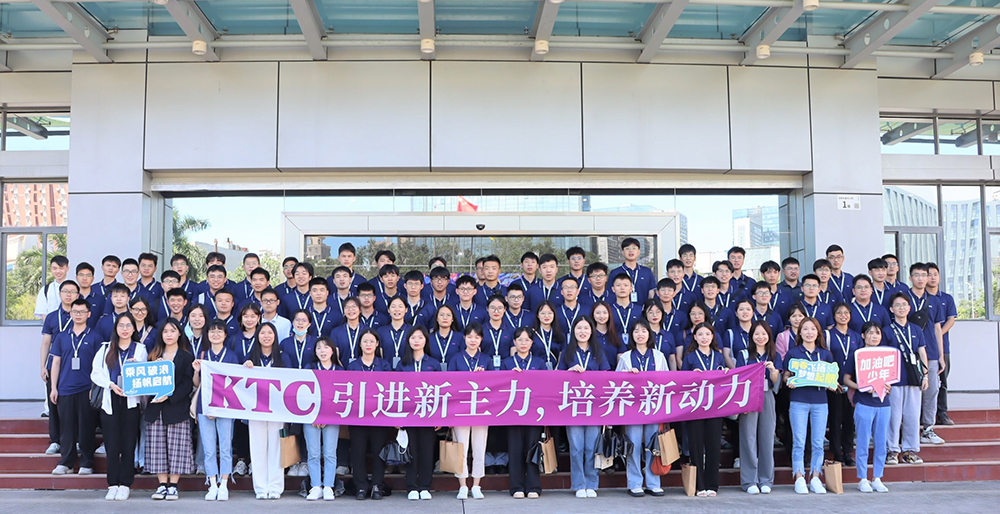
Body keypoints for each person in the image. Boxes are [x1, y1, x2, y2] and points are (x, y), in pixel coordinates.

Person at [91, 311, 146, 500]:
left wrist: (138, 365)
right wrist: (110, 385)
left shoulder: (140, 349)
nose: (125, 329)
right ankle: (113, 484)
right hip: (111, 400)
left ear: (134, 328)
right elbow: (95, 373)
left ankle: (126, 484)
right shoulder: (106, 348)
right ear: (116, 328)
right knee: (112, 444)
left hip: (131, 401)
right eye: (121, 325)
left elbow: (146, 374)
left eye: (128, 325)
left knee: (129, 444)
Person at [783, 316, 835, 495]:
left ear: (818, 332)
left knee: (818, 442)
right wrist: (789, 380)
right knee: (799, 442)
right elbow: (786, 375)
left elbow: (831, 376)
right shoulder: (793, 353)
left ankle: (815, 477)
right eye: (805, 329)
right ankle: (799, 476)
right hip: (798, 400)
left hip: (820, 402)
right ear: (800, 332)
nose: (809, 332)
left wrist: (832, 384)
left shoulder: (825, 354)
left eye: (813, 329)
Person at [558, 316, 609, 498]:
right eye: (579, 328)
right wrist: (568, 372)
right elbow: (557, 378)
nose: (582, 332)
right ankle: (579, 484)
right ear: (573, 331)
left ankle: (591, 483)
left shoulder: (598, 352)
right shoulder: (567, 352)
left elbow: (607, 376)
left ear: (591, 331)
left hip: (593, 406)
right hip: (573, 407)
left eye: (586, 328)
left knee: (591, 447)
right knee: (577, 448)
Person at [145, 319, 195, 501]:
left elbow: (187, 384)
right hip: (155, 408)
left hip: (176, 407)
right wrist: (153, 368)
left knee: (177, 447)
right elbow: (145, 381)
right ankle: (161, 485)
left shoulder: (186, 356)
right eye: (165, 331)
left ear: (179, 333)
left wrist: (169, 395)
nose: (168, 335)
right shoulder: (153, 355)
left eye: (172, 331)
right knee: (157, 446)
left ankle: (173, 485)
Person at [617, 319, 667, 497]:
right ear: (631, 335)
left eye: (644, 331)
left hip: (653, 406)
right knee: (634, 445)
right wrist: (627, 375)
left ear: (649, 334)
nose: (640, 334)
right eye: (636, 331)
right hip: (633, 407)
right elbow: (616, 382)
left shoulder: (659, 356)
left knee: (654, 445)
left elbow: (667, 381)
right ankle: (635, 483)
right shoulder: (625, 357)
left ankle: (653, 483)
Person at [49, 298, 98, 476]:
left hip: (86, 389)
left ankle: (86, 462)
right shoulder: (61, 336)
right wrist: (54, 388)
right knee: (66, 428)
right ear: (70, 314)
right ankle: (66, 462)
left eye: (82, 312)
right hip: (65, 388)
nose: (78, 315)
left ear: (88, 314)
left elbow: (99, 365)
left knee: (86, 427)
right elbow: (55, 363)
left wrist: (95, 388)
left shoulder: (95, 336)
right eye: (75, 312)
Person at [843, 322, 893, 493]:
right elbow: (846, 379)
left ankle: (878, 477)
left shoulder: (887, 355)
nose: (874, 336)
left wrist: (889, 386)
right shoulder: (856, 355)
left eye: (877, 333)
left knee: (881, 442)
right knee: (863, 441)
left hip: (883, 404)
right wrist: (861, 387)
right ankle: (862, 478)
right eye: (870, 333)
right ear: (863, 336)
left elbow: (892, 378)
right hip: (864, 403)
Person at [244, 323, 291, 499]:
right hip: (255, 409)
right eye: (262, 333)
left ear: (275, 336)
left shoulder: (283, 357)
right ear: (257, 336)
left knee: (276, 447)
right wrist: (245, 367)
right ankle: (261, 488)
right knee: (257, 448)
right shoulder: (251, 357)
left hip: (277, 409)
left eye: (270, 333)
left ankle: (275, 487)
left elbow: (291, 380)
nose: (266, 336)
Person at [192, 319, 238, 501]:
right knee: (209, 448)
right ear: (207, 334)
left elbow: (235, 385)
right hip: (205, 407)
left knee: (225, 447)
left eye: (220, 331)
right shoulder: (203, 355)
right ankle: (212, 484)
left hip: (226, 408)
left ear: (225, 335)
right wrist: (196, 371)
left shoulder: (231, 356)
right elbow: (197, 384)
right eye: (212, 331)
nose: (216, 334)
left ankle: (224, 484)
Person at [884, 292, 929, 466]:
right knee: (893, 417)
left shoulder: (916, 329)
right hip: (894, 380)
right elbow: (884, 356)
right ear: (891, 309)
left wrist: (925, 376)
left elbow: (922, 353)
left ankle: (910, 451)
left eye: (904, 305)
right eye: (897, 305)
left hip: (914, 379)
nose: (901, 308)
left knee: (912, 416)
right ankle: (892, 451)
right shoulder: (887, 330)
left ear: (909, 308)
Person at [449, 322, 493, 500]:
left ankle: (476, 485)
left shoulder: (487, 360)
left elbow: (494, 384)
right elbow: (450, 383)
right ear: (464, 338)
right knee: (461, 447)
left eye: (476, 337)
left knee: (479, 447)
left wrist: (483, 377)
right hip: (460, 409)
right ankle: (462, 485)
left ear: (481, 339)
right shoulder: (456, 358)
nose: (473, 340)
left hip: (481, 409)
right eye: (469, 337)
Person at [681, 322, 726, 497]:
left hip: (715, 406)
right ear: (695, 337)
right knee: (696, 445)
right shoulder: (690, 358)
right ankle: (699, 485)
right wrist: (692, 376)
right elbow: (682, 382)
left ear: (713, 336)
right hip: (695, 406)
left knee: (714, 445)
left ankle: (712, 484)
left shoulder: (718, 357)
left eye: (707, 334)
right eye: (700, 334)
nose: (704, 337)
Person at [347, 329, 392, 500]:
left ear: (377, 344)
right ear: (359, 344)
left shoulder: (384, 365)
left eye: (372, 341)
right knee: (357, 452)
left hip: (379, 415)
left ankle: (377, 485)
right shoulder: (353, 366)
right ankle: (361, 486)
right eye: (365, 341)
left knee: (378, 452)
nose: (368, 344)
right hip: (357, 416)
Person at [502, 327, 545, 499]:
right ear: (514, 342)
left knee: (533, 448)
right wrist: (509, 376)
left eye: (527, 340)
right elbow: (499, 386)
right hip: (512, 412)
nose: (523, 343)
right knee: (515, 449)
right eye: (520, 340)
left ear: (532, 343)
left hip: (534, 412)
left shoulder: (539, 363)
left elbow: (546, 385)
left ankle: (533, 486)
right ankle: (516, 487)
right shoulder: (507, 363)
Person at [397, 326, 440, 500]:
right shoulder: (402, 364)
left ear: (426, 340)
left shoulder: (433, 364)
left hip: (428, 414)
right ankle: (411, 486)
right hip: (408, 415)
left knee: (427, 451)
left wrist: (439, 417)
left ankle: (425, 486)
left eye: (420, 337)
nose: (416, 341)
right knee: (411, 451)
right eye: (413, 337)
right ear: (408, 341)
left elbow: (440, 391)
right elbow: (397, 391)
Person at [738, 321, 781, 495]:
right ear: (751, 336)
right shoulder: (743, 354)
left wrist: (773, 371)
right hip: (749, 397)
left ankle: (766, 479)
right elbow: (739, 379)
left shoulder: (774, 355)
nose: (760, 337)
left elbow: (776, 383)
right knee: (748, 439)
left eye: (764, 334)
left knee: (767, 437)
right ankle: (749, 481)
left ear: (769, 336)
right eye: (757, 334)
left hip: (767, 395)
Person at [906, 263, 946, 446]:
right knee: (910, 393)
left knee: (932, 390)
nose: (921, 278)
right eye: (917, 275)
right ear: (910, 278)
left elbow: (937, 328)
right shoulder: (903, 298)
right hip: (908, 353)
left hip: (930, 353)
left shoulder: (934, 301)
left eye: (924, 275)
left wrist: (941, 355)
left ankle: (928, 428)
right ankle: (909, 429)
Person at [40, 279, 79, 456]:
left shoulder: (82, 314)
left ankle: (75, 439)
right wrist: (42, 366)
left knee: (74, 405)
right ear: (60, 294)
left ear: (78, 295)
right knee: (54, 403)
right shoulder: (51, 317)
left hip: (75, 368)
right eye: (65, 291)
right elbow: (46, 342)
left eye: (72, 291)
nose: (69, 295)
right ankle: (55, 440)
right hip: (54, 365)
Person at [305, 337, 341, 501]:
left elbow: (341, 398)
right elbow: (305, 395)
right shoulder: (309, 368)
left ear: (332, 350)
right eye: (319, 348)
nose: (322, 351)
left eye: (326, 347)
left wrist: (326, 415)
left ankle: (328, 486)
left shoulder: (340, 371)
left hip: (332, 417)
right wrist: (316, 415)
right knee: (313, 453)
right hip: (311, 416)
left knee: (330, 453)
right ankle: (315, 486)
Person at [827, 302, 860, 465]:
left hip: (852, 384)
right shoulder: (828, 335)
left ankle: (848, 451)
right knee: (835, 419)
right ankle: (836, 452)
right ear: (834, 316)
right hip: (834, 384)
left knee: (849, 420)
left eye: (846, 312)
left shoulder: (856, 336)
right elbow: (825, 358)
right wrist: (831, 380)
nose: (843, 316)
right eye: (839, 313)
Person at [927, 263, 957, 426]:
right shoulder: (920, 298)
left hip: (942, 346)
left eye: (935, 274)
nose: (932, 277)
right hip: (924, 347)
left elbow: (950, 320)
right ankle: (924, 415)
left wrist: (937, 335)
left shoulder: (946, 298)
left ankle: (942, 413)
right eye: (929, 274)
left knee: (942, 381)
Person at [643, 299, 677, 370]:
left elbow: (672, 359)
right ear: (645, 314)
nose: (654, 315)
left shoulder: (668, 335)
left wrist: (674, 375)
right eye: (651, 312)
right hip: (647, 373)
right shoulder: (643, 335)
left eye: (658, 312)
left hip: (665, 373)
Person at [378, 296, 411, 369]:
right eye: (393, 307)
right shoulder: (381, 331)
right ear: (388, 310)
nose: (397, 309)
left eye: (400, 306)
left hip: (407, 371)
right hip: (386, 371)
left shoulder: (412, 331)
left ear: (406, 309)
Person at [332, 297, 365, 367]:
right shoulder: (336, 332)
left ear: (360, 310)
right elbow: (335, 356)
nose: (351, 310)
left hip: (363, 370)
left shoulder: (367, 331)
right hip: (342, 370)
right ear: (343, 311)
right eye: (347, 307)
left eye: (354, 307)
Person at [530, 300, 564, 369]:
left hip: (556, 371)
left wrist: (557, 369)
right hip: (536, 370)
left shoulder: (560, 335)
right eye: (543, 313)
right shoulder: (532, 333)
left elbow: (562, 355)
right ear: (537, 315)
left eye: (550, 313)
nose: (546, 316)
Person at [592, 300, 625, 368]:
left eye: (605, 312)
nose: (601, 316)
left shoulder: (616, 336)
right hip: (594, 372)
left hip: (613, 373)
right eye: (598, 313)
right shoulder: (589, 335)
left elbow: (621, 358)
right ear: (593, 314)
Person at [36, 255, 70, 319]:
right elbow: (43, 312)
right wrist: (50, 325)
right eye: (55, 268)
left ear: (67, 268)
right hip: (51, 324)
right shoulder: (45, 290)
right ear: (51, 269)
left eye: (61, 268)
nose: (58, 271)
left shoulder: (74, 289)